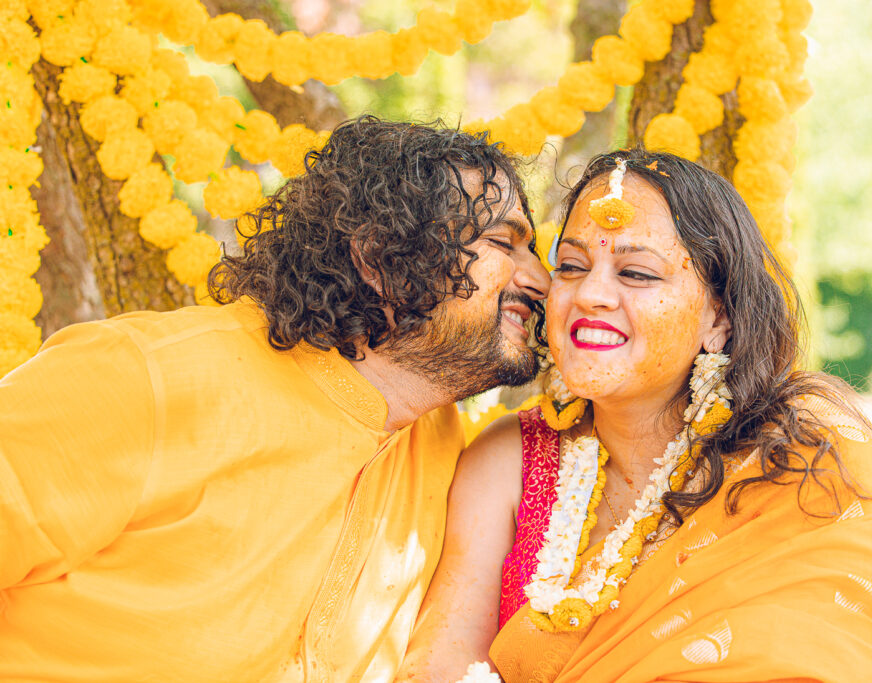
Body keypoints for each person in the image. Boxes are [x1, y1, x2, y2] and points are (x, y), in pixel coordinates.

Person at [0, 116, 549, 682]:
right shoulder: (146, 377)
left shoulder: (453, 454)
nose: (542, 281)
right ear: (381, 257)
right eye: (505, 243)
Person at [399, 150, 872, 682]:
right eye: (570, 266)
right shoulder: (510, 458)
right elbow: (440, 664)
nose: (591, 293)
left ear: (720, 317)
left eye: (636, 274)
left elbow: (847, 654)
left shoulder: (797, 450)